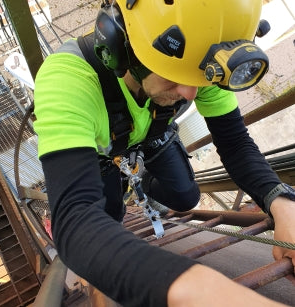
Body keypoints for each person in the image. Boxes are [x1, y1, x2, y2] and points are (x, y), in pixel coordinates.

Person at [33, 0, 295, 306]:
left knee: (186, 196)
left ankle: (137, 181)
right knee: (110, 212)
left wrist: (283, 204)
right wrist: (199, 288)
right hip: (101, 156)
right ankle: (124, 188)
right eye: (172, 73)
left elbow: (234, 141)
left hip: (153, 139)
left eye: (201, 78)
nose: (190, 93)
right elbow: (76, 218)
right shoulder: (67, 78)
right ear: (120, 43)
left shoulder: (199, 62)